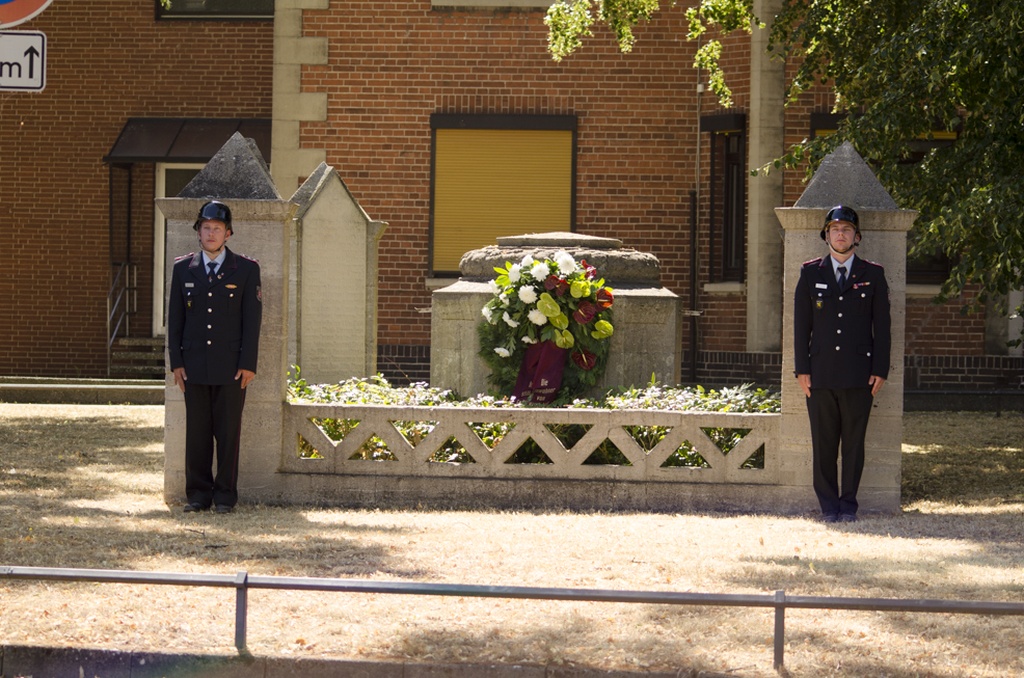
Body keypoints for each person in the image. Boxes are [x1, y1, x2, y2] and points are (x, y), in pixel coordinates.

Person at [793, 205, 891, 523]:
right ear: (826, 235)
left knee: (853, 445)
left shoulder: (872, 274)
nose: (840, 234)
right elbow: (801, 326)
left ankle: (848, 506)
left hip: (859, 375)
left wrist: (880, 369)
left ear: (856, 236)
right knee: (823, 445)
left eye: (846, 229)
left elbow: (883, 327)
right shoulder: (810, 273)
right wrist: (802, 369)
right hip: (819, 374)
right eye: (834, 229)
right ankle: (828, 507)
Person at [167, 200, 262, 514]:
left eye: (217, 229)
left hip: (231, 368)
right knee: (197, 434)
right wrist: (177, 363)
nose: (211, 233)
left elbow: (252, 321)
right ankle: (198, 495)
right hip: (193, 366)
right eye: (206, 228)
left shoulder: (246, 269)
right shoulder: (183, 269)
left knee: (228, 433)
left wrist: (248, 363)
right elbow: (175, 319)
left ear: (228, 233)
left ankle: (224, 496)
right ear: (198, 231)